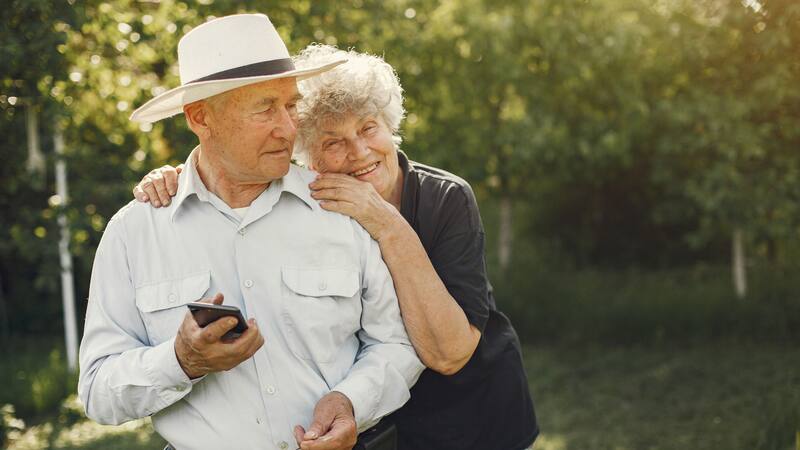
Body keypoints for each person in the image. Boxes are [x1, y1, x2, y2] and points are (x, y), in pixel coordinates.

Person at [135, 44, 539, 450]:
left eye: (368, 128)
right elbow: (230, 170)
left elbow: (452, 353)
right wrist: (184, 177)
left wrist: (386, 223)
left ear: (389, 124)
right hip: (384, 422)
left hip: (478, 412)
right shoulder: (315, 203)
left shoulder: (445, 198)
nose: (359, 152)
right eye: (333, 142)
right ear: (307, 156)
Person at [78, 14, 423, 450]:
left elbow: (395, 344)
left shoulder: (341, 209)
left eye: (291, 104)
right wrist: (180, 361)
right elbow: (97, 392)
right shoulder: (134, 233)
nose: (290, 127)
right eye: (265, 109)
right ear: (201, 118)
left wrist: (351, 400)